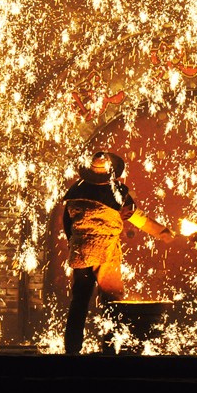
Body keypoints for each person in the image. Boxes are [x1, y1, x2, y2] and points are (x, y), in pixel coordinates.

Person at [62, 151, 174, 354]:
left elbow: (67, 223)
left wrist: (75, 243)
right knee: (112, 301)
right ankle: (111, 347)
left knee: (79, 300)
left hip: (81, 253)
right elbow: (136, 216)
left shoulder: (75, 192)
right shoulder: (118, 192)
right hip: (106, 253)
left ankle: (71, 349)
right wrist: (161, 232)